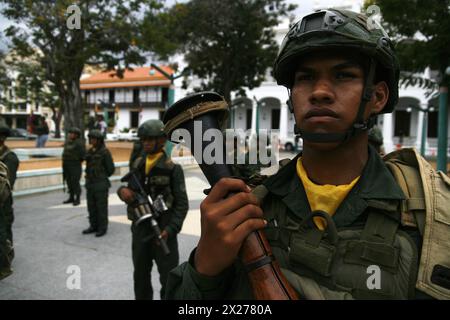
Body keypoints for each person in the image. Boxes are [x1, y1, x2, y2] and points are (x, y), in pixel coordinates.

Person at [165, 9, 443, 300]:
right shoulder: (253, 203)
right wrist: (205, 268)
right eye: (306, 78)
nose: (320, 92)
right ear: (292, 98)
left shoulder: (432, 214)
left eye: (343, 75)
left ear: (377, 96)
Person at [117, 119, 188, 300]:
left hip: (163, 231)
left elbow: (182, 204)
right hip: (140, 230)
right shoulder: (138, 164)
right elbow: (127, 188)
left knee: (169, 279)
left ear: (162, 140)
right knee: (140, 276)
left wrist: (170, 230)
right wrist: (122, 192)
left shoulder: (173, 169)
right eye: (143, 139)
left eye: (150, 139)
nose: (146, 143)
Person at [82, 129, 115, 237]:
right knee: (91, 206)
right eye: (90, 138)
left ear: (99, 140)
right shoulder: (90, 151)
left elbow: (111, 169)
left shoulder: (105, 152)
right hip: (90, 184)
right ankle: (93, 226)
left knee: (101, 207)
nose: (91, 140)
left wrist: (101, 176)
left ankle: (102, 228)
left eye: (93, 138)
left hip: (100, 185)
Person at [0, 124, 19, 255]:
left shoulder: (9, 157)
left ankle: (7, 257)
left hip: (3, 201)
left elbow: (7, 184)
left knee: (4, 229)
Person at [62, 127, 86, 206]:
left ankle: (77, 198)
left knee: (75, 182)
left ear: (77, 135)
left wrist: (76, 161)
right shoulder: (67, 142)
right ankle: (71, 197)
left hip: (75, 165)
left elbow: (83, 155)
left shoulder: (79, 143)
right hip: (66, 165)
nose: (70, 135)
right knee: (69, 181)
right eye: (70, 133)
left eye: (72, 133)